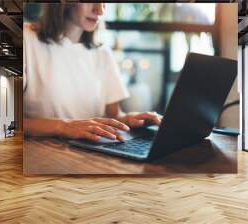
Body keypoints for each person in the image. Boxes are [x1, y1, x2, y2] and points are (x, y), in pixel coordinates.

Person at [23, 3, 162, 142]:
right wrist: (64, 126)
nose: (100, 10)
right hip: (44, 154)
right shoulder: (25, 39)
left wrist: (130, 119)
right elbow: (7, 122)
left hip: (93, 153)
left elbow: (114, 115)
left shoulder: (102, 52)